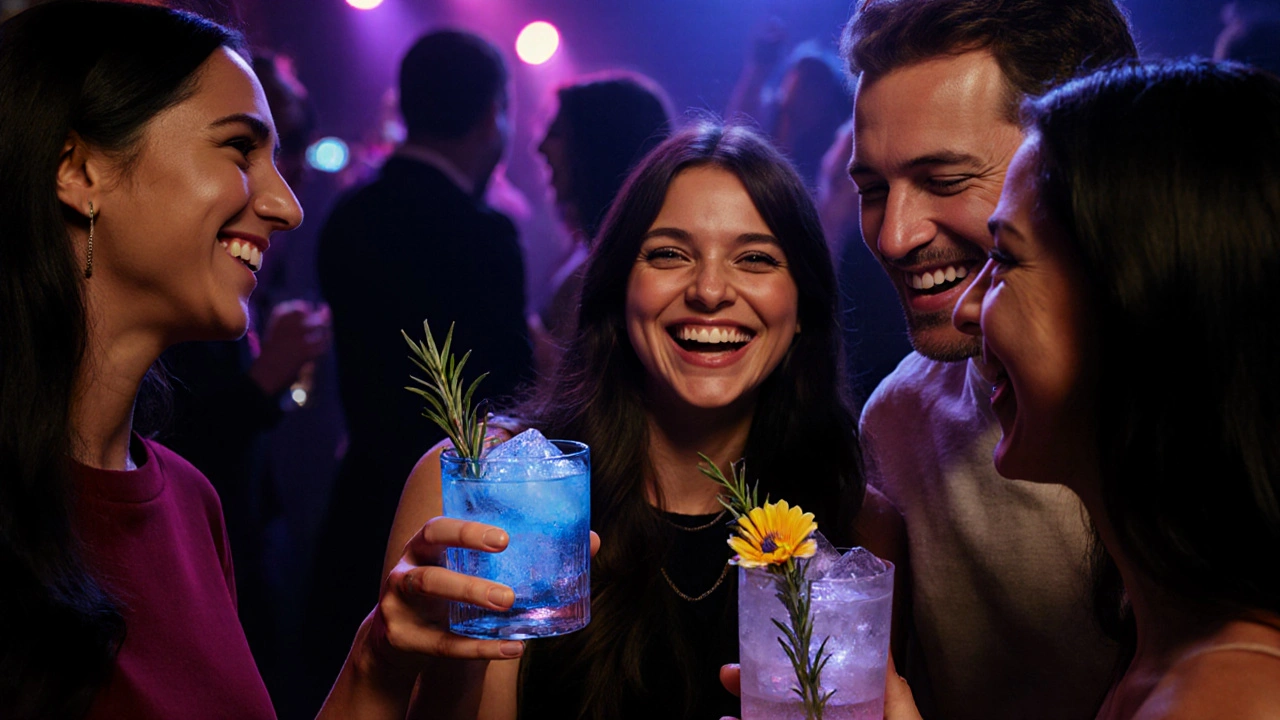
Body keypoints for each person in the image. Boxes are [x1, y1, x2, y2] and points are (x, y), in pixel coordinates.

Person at [0, 3, 511, 718]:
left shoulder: (190, 503)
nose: (287, 205)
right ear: (80, 171)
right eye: (240, 150)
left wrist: (379, 662)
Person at [381, 122, 905, 719]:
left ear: (804, 303)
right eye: (669, 254)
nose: (710, 290)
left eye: (755, 258)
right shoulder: (493, 483)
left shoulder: (861, 528)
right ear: (618, 288)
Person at [912, 57, 1280, 720]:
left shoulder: (1229, 696)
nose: (968, 309)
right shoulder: (1177, 635)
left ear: (1136, 300)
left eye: (1004, 258)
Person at [842, 1, 1138, 717]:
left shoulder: (1233, 411)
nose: (894, 236)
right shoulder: (900, 421)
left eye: (945, 180)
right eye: (873, 190)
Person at [305, 28, 535, 712]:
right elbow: (511, 396)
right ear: (493, 113)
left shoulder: (349, 214)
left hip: (359, 504)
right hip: (467, 523)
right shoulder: (485, 234)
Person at [531, 71, 673, 377]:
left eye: (556, 133)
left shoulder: (630, 266)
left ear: (597, 146)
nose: (540, 146)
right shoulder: (588, 248)